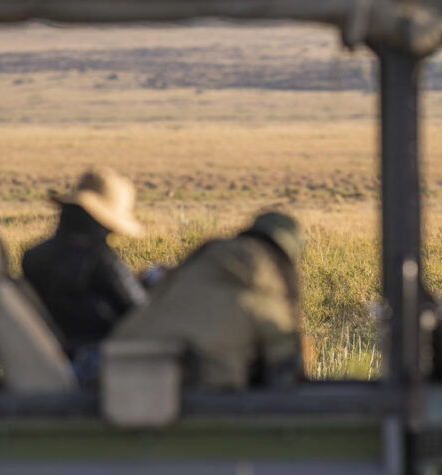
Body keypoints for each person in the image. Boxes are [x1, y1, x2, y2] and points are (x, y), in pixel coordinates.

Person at [112, 212, 304, 391]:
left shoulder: (190, 268)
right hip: (195, 393)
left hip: (118, 380)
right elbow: (284, 365)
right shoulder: (264, 284)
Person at [22, 167, 146, 367]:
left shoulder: (32, 257)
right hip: (97, 363)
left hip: (51, 357)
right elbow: (140, 310)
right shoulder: (100, 260)